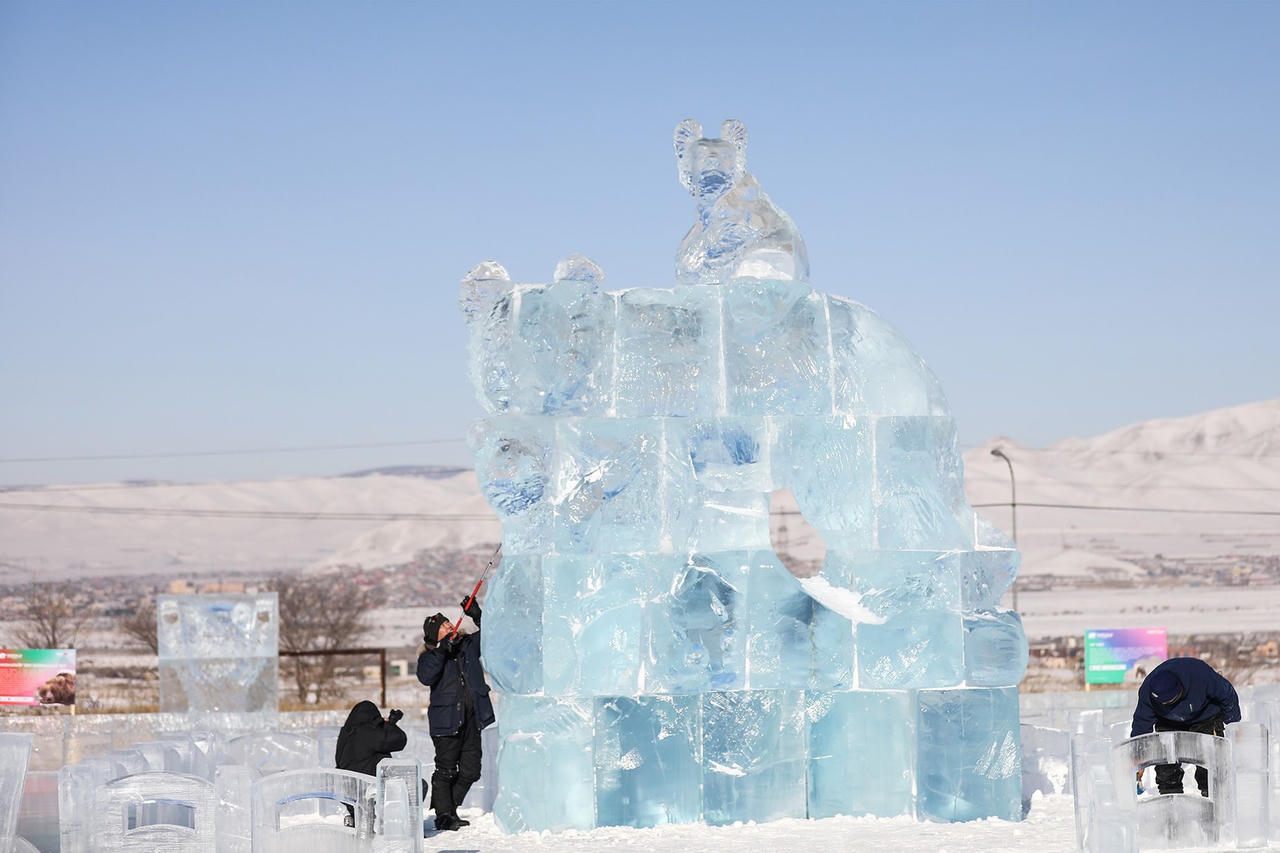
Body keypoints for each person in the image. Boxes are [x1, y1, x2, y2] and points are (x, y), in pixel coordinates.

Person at [416, 597, 494, 832]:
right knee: (446, 770)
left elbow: (493, 634)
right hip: (446, 721)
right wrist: (442, 652)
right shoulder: (428, 657)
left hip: (473, 717)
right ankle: (444, 815)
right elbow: (425, 677)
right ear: (434, 636)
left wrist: (477, 614)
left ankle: (449, 809)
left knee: (472, 770)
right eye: (443, 626)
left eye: (449, 622)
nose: (450, 626)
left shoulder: (467, 645)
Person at [1130, 657, 1241, 796]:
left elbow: (1227, 695)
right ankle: (1170, 800)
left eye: (1169, 702)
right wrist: (1138, 756)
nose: (1166, 704)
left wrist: (1234, 726)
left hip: (1206, 716)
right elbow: (1141, 722)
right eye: (1162, 703)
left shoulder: (1200, 675)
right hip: (1168, 722)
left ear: (1180, 692)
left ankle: (1213, 799)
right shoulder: (1147, 691)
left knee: (1210, 766)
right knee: (1166, 769)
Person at [334, 700, 409, 826]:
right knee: (418, 785)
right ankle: (406, 825)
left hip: (349, 788)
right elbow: (399, 740)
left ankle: (356, 818)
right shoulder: (369, 732)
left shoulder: (347, 732)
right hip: (370, 787)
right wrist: (390, 724)